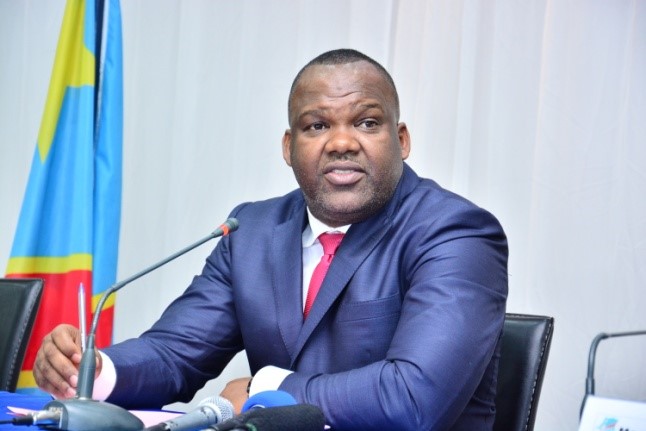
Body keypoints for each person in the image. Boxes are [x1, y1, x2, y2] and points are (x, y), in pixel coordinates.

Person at [34, 48, 508, 430]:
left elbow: (413, 399)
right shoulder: (252, 232)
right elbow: (176, 354)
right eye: (317, 126)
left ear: (401, 140)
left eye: (366, 122)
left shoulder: (456, 234)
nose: (342, 142)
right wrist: (95, 370)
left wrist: (266, 387)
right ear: (289, 147)